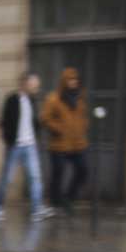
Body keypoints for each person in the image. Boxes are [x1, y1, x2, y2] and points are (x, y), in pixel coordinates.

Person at [0, 70, 55, 222]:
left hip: (30, 146)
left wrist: (40, 127)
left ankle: (36, 210)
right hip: (15, 146)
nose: (36, 88)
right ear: (25, 83)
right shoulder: (12, 100)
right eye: (34, 85)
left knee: (35, 177)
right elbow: (4, 122)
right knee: (7, 178)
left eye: (37, 86)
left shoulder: (32, 101)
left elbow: (34, 123)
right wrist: (9, 140)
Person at [39, 67, 90, 213]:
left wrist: (84, 126)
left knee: (83, 170)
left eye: (75, 79)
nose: (73, 82)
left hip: (78, 143)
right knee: (58, 173)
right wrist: (58, 128)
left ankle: (69, 198)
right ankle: (55, 201)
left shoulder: (80, 98)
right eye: (70, 79)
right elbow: (45, 118)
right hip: (59, 144)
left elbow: (83, 116)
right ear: (64, 81)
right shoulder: (53, 98)